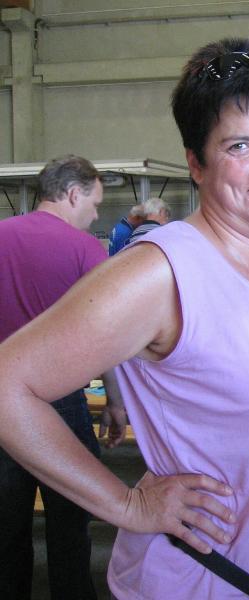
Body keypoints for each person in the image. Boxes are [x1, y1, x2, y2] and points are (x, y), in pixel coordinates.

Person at [0, 38, 249, 599]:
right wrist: (127, 504)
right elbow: (7, 386)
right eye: (240, 145)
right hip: (208, 583)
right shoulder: (161, 274)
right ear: (196, 163)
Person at [0, 155, 128, 600]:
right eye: (94, 204)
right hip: (61, 404)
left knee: (6, 526)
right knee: (70, 521)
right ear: (73, 194)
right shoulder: (86, 250)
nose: (95, 215)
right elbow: (105, 336)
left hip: (3, 402)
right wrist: (115, 401)